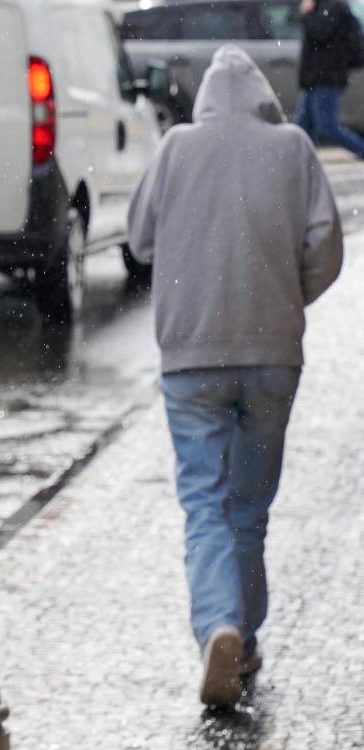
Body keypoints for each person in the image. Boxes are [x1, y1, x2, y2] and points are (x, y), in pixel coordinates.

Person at [128, 45, 343, 707]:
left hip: (190, 357)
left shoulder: (173, 147)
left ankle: (217, 625)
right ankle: (243, 642)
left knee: (203, 502)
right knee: (249, 506)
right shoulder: (293, 146)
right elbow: (325, 247)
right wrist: (283, 299)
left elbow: (138, 241)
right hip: (272, 354)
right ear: (262, 97)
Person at [297, 0, 364, 157]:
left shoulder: (333, 7)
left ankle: (362, 150)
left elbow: (320, 30)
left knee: (327, 127)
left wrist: (306, 13)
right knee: (302, 128)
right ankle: (302, 164)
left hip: (326, 78)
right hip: (315, 79)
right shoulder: (325, 6)